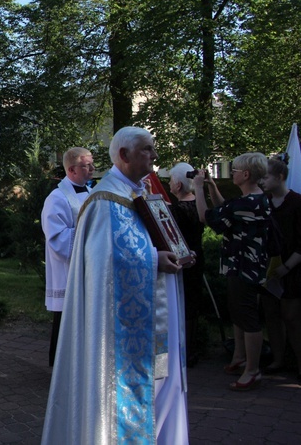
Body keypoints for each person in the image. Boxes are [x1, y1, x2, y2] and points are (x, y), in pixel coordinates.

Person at [41, 127, 189, 445]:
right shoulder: (103, 201)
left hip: (157, 309)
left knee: (164, 385)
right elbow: (100, 262)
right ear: (123, 155)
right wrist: (153, 260)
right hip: (120, 327)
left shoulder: (141, 193)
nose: (154, 156)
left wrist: (177, 252)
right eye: (147, 150)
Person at [194, 153, 270, 391]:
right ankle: (240, 357)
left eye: (234, 170)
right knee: (239, 313)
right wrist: (212, 187)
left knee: (248, 318)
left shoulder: (246, 204)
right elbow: (225, 208)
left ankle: (253, 370)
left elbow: (206, 217)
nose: (232, 173)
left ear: (245, 175)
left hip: (245, 267)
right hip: (244, 265)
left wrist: (198, 188)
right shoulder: (252, 200)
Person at [41, 147, 93, 367]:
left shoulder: (91, 192)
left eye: (92, 164)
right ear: (71, 169)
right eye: (86, 165)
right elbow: (57, 237)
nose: (92, 169)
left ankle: (80, 366)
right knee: (64, 321)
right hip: (68, 268)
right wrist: (91, 231)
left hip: (88, 265)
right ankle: (59, 367)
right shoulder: (57, 197)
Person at [260, 156, 301, 381]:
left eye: (266, 176)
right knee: (271, 314)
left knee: (292, 317)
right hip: (268, 269)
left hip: (292, 269)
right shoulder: (263, 203)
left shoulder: (297, 202)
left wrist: (287, 266)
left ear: (280, 177)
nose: (262, 181)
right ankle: (278, 359)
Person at [168, 162, 206, 367]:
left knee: (182, 303)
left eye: (172, 181)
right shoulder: (198, 203)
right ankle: (191, 348)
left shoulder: (177, 209)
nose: (169, 184)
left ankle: (183, 349)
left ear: (179, 186)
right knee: (192, 302)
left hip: (183, 257)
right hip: (198, 253)